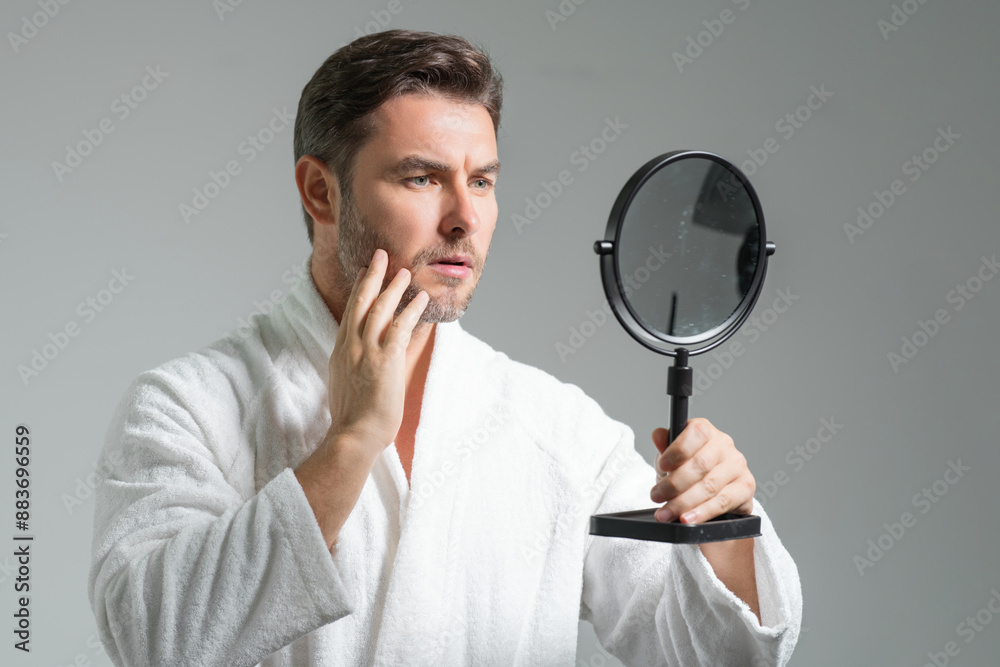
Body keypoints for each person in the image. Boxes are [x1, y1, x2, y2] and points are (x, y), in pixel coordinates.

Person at [88, 29, 802, 666]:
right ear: (320, 191)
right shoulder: (186, 407)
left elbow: (721, 657)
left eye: (482, 181)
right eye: (422, 177)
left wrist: (722, 525)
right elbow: (155, 642)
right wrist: (350, 442)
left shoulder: (557, 430)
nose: (465, 218)